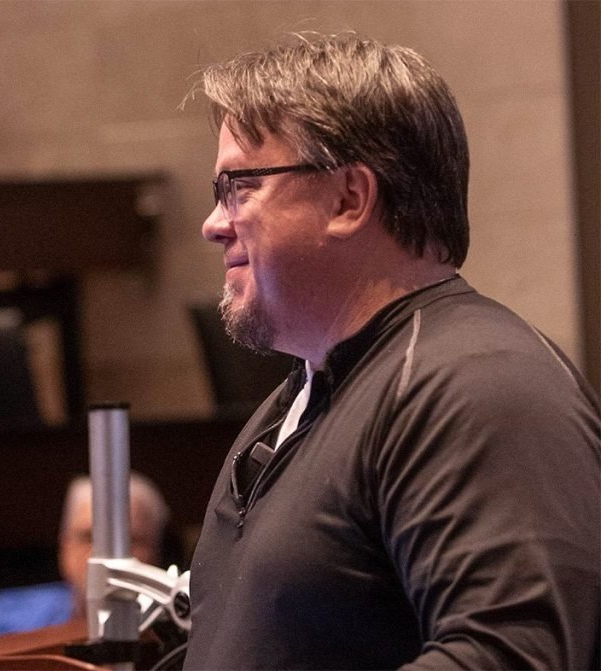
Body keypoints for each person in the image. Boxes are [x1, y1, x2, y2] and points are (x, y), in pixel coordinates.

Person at [183, 33, 600, 670]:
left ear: (349, 199)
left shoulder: (479, 386)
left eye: (240, 187)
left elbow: (505, 657)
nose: (215, 224)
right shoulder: (305, 392)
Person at [0, 472, 171, 642]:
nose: (103, 555)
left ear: (157, 551)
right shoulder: (6, 617)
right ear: (64, 547)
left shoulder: (180, 632)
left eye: (129, 540)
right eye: (88, 537)